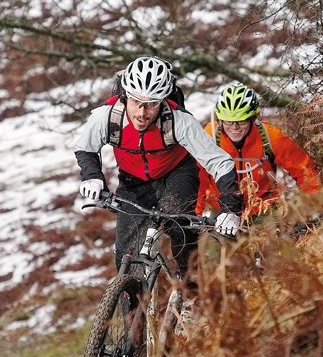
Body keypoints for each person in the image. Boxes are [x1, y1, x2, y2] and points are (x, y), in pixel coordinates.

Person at [74, 56, 243, 279]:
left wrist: (231, 209)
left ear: (162, 101)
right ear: (125, 96)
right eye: (136, 102)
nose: (142, 113)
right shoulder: (107, 117)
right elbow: (85, 148)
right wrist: (92, 176)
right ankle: (131, 307)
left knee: (179, 225)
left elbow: (219, 162)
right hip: (133, 182)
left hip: (177, 174)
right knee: (126, 257)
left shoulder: (179, 120)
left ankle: (191, 291)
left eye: (152, 104)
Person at [196, 82, 322, 222]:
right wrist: (194, 215)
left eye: (241, 121)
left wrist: (317, 204)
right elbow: (197, 180)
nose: (235, 127)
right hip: (222, 211)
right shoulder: (210, 138)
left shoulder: (271, 137)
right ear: (220, 120)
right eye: (228, 122)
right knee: (214, 243)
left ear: (252, 118)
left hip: (263, 209)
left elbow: (304, 170)